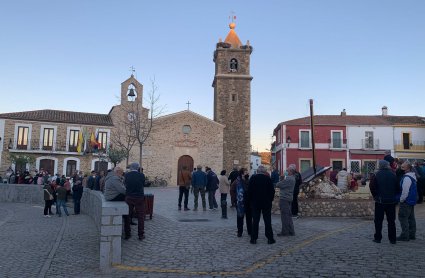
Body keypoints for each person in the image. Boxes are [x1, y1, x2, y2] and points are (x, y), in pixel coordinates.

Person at [369, 160, 399, 244]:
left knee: (378, 220)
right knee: (391, 221)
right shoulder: (393, 174)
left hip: (380, 200)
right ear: (387, 166)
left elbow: (372, 187)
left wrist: (375, 196)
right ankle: (392, 239)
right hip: (391, 201)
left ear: (379, 166)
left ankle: (378, 238)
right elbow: (398, 188)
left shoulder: (376, 174)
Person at [247, 166, 275, 244]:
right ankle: (270, 238)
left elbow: (249, 191)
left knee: (255, 221)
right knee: (267, 221)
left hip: (255, 203)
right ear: (265, 171)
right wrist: (270, 200)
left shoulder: (253, 179)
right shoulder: (268, 179)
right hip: (266, 203)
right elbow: (272, 192)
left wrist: (250, 201)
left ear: (257, 171)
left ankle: (253, 238)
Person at [124, 162, 146, 241]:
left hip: (129, 196)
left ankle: (127, 234)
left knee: (127, 216)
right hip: (139, 197)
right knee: (140, 216)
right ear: (137, 168)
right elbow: (143, 184)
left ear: (131, 168)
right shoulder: (141, 175)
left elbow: (125, 183)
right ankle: (140, 234)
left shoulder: (127, 175)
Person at [396, 163, 417, 241]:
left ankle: (405, 235)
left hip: (406, 201)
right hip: (411, 200)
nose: (401, 169)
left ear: (408, 169)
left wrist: (401, 199)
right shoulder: (413, 177)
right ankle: (412, 234)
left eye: (403, 167)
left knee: (403, 217)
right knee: (411, 218)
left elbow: (405, 190)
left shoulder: (407, 178)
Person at [230, 168, 252, 237]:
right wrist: (236, 198)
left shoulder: (249, 181)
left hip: (248, 202)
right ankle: (240, 231)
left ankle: (250, 231)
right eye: (246, 172)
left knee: (249, 218)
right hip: (240, 202)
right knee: (240, 218)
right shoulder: (237, 182)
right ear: (242, 174)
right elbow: (231, 190)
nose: (247, 174)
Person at [276, 168, 296, 236]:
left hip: (284, 198)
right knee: (288, 215)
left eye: (287, 171)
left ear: (290, 172)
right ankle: (291, 230)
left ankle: (285, 231)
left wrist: (281, 179)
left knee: (284, 216)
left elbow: (278, 185)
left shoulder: (288, 179)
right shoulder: (292, 179)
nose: (285, 172)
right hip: (288, 198)